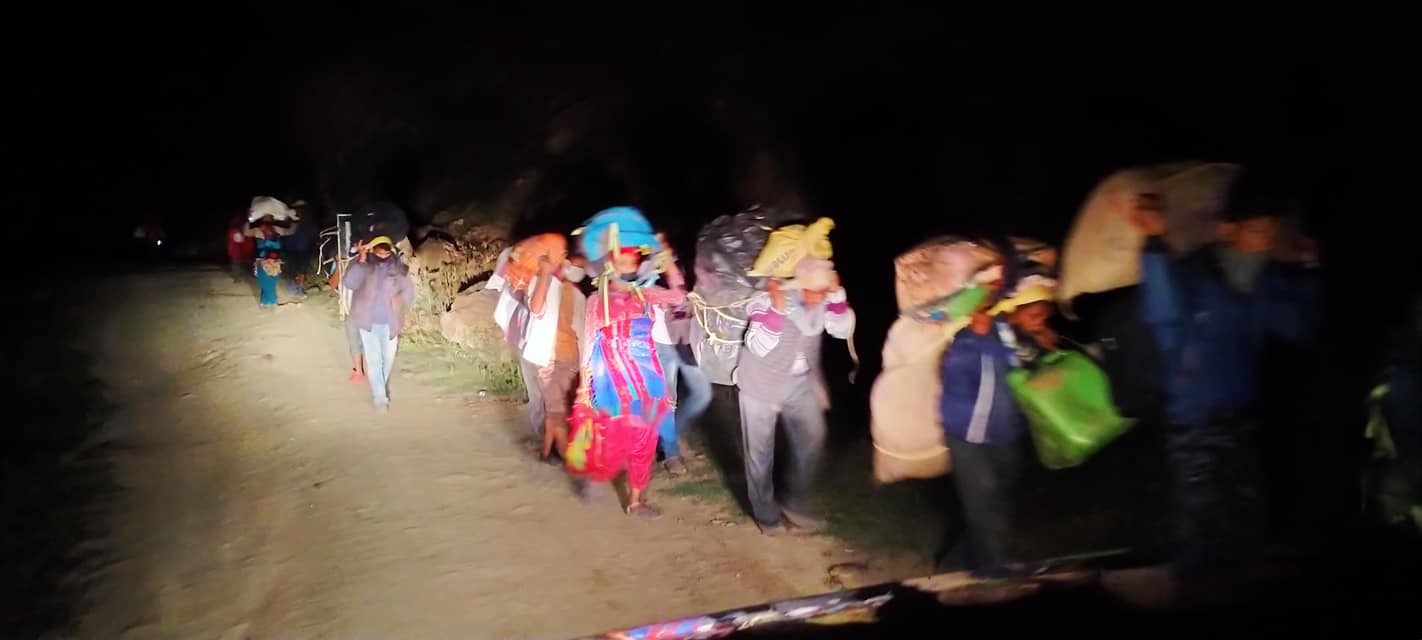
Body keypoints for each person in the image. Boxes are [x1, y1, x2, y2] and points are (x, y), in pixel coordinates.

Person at [1132, 193, 1321, 578]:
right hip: (1194, 417)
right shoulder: (1193, 274)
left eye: (1271, 232)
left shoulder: (1263, 283)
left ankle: (1241, 584)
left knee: (1245, 510)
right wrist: (1154, 239)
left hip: (1240, 413)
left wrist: (1310, 266)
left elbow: (1300, 326)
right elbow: (1161, 307)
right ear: (1226, 230)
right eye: (1258, 230)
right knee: (1199, 512)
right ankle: (1193, 585)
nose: (1265, 241)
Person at [569, 214, 685, 518]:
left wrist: (666, 259)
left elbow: (678, 296)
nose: (630, 263)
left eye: (633, 258)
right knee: (611, 434)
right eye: (623, 258)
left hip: (647, 378)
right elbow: (588, 343)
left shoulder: (645, 294)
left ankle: (635, 501)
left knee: (645, 439)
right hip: (611, 379)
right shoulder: (598, 300)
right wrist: (585, 387)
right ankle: (595, 475)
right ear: (609, 263)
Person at [736, 256, 855, 535]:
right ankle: (766, 515)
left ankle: (794, 502)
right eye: (815, 290)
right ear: (800, 285)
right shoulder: (765, 300)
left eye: (824, 290)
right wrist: (777, 311)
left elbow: (841, 330)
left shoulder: (823, 299)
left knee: (813, 438)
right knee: (759, 455)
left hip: (800, 383)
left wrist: (837, 297)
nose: (819, 296)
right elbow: (756, 345)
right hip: (760, 385)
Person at [937, 271, 1037, 575]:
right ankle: (993, 571)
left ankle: (954, 564)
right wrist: (978, 338)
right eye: (1034, 315)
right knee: (984, 503)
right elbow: (955, 373)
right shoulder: (968, 330)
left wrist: (1041, 347)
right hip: (968, 435)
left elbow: (1023, 370)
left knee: (998, 503)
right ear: (1016, 308)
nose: (1039, 321)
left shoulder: (1013, 334)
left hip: (1006, 435)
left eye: (1044, 316)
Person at [525, 254, 587, 464]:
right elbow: (535, 308)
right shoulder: (543, 283)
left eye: (582, 268)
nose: (577, 271)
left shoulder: (579, 296)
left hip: (570, 361)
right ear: (565, 263)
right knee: (557, 410)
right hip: (548, 358)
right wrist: (544, 273)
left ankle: (545, 452)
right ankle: (569, 460)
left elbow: (582, 333)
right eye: (575, 265)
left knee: (555, 410)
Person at [343, 236, 415, 413]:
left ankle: (379, 386)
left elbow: (409, 293)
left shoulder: (399, 269)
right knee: (374, 361)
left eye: (386, 251)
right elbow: (349, 283)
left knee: (388, 360)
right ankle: (380, 399)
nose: (382, 254)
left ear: (391, 250)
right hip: (368, 321)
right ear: (372, 249)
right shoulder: (362, 265)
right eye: (379, 250)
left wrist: (400, 299)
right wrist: (361, 260)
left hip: (391, 323)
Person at [246, 214, 294, 308]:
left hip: (264, 261)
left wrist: (248, 219)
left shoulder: (258, 230)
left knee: (267, 283)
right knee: (270, 283)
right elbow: (290, 231)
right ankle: (272, 302)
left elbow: (246, 232)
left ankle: (264, 302)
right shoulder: (276, 229)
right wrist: (294, 220)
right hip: (272, 262)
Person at [226, 212, 254, 281]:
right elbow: (239, 239)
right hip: (237, 250)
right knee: (238, 263)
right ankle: (237, 276)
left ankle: (238, 276)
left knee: (241, 263)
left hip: (241, 250)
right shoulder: (235, 229)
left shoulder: (239, 227)